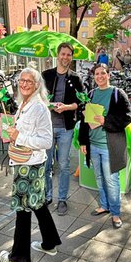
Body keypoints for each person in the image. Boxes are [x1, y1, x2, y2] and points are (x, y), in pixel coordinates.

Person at [0, 68, 61, 262]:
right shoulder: (23, 104)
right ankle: (50, 243)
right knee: (37, 203)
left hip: (30, 165)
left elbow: (46, 141)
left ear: (37, 85)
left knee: (23, 208)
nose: (24, 84)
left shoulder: (40, 108)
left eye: (29, 81)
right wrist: (10, 133)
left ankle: (18, 258)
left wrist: (19, 137)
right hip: (26, 163)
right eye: (21, 80)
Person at [78, 63, 131, 229]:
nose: (100, 76)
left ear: (108, 75)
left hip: (109, 146)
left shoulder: (117, 94)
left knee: (111, 180)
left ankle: (115, 213)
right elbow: (84, 120)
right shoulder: (91, 94)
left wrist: (106, 121)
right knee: (99, 178)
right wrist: (83, 141)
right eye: (97, 74)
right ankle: (104, 205)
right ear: (94, 76)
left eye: (103, 73)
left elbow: (128, 116)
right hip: (93, 144)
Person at [42, 42, 85, 215]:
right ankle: (47, 196)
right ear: (57, 55)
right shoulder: (46, 75)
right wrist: (50, 104)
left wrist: (66, 107)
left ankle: (62, 199)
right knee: (46, 164)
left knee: (64, 165)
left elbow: (81, 102)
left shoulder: (76, 78)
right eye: (63, 54)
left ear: (71, 57)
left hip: (66, 128)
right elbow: (39, 99)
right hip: (47, 127)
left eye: (69, 54)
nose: (65, 57)